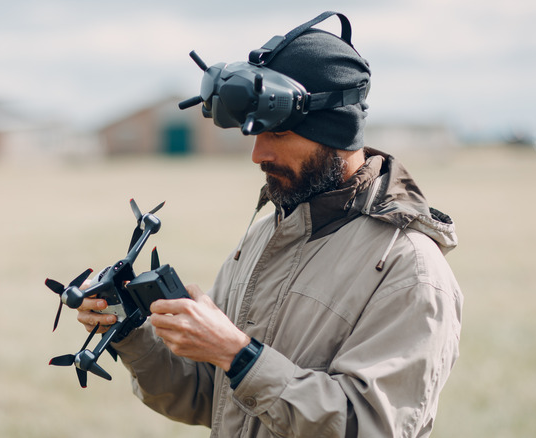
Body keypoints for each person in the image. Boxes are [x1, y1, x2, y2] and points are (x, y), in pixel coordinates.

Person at [77, 12, 462, 438]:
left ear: (335, 133)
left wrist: (239, 354)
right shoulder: (267, 236)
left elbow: (372, 427)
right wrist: (129, 331)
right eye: (254, 135)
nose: (257, 155)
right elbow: (210, 396)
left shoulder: (409, 270)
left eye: (277, 135)